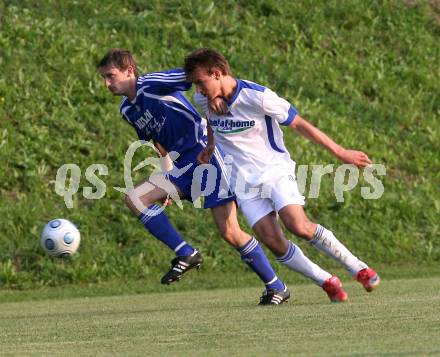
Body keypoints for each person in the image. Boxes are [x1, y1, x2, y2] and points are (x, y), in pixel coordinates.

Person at [97, 48, 290, 305]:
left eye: (111, 76)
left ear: (129, 71)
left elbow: (194, 77)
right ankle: (186, 253)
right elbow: (158, 144)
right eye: (104, 78)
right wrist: (165, 177)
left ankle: (275, 286)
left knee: (230, 231)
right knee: (136, 198)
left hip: (205, 155)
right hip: (181, 166)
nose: (107, 83)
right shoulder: (127, 110)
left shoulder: (152, 84)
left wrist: (217, 97)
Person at [183, 48, 380, 297]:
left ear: (217, 73)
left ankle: (358, 268)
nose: (198, 90)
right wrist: (211, 146)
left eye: (201, 82)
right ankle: (326, 281)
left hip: (273, 170)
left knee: (298, 225)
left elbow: (299, 123)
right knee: (273, 241)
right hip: (242, 182)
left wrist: (341, 153)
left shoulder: (258, 97)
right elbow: (211, 120)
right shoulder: (204, 99)